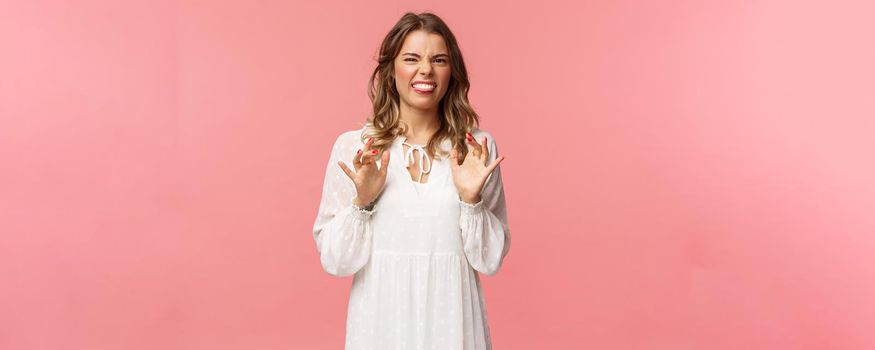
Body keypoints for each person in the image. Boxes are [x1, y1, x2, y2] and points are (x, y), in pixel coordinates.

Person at [312, 12, 510, 350]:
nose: (426, 71)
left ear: (453, 72)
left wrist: (470, 200)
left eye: (439, 59)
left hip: (453, 325)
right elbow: (336, 260)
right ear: (391, 71)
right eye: (412, 59)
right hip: (380, 324)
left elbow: (489, 261)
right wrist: (363, 202)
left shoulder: (474, 149)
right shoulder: (357, 148)